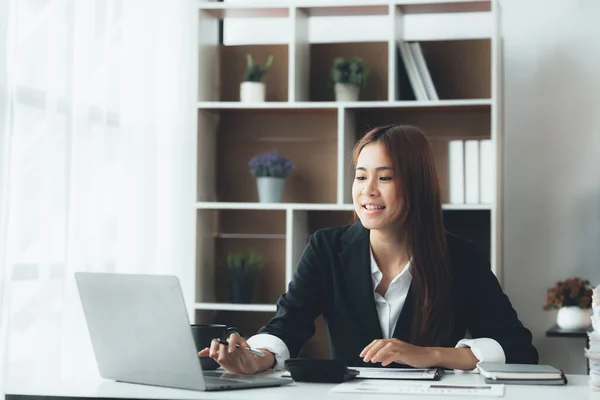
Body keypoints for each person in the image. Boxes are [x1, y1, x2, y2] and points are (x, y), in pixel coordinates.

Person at [199, 124, 539, 375]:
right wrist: (254, 359)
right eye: (361, 177)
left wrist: (431, 354)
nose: (368, 191)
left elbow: (519, 349)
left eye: (385, 178)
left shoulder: (461, 257)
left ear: (417, 186)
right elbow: (286, 327)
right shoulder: (326, 248)